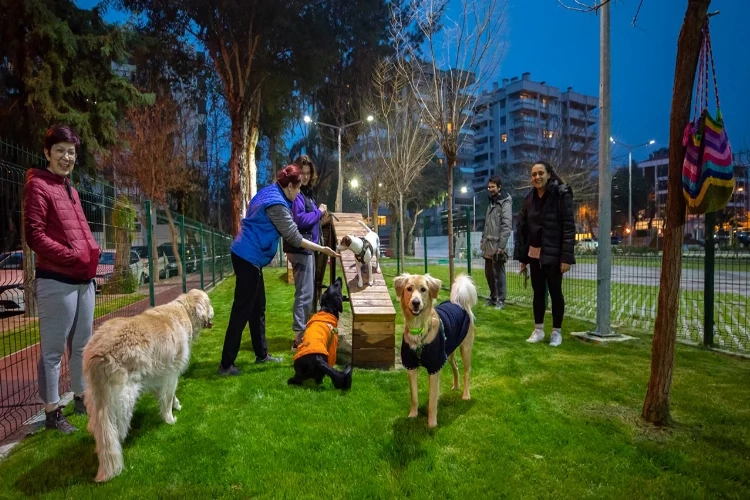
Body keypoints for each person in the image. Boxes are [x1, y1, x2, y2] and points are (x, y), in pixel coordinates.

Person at [218, 165, 340, 376]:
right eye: (297, 189)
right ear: (290, 186)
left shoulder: (268, 191)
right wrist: (322, 248)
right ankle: (226, 364)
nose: (299, 193)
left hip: (247, 255)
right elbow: (294, 237)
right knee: (242, 311)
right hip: (248, 256)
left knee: (258, 308)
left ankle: (262, 354)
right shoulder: (277, 205)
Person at [24, 125, 101, 433]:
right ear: (47, 153)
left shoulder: (71, 188)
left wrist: (89, 255)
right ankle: (52, 412)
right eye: (60, 151)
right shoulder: (39, 185)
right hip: (57, 279)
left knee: (83, 344)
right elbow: (35, 235)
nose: (66, 157)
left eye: (71, 152)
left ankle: (82, 398)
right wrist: (71, 257)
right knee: (53, 350)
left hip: (84, 279)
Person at [513, 161, 575, 347]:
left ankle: (556, 332)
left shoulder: (560, 195)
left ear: (549, 174)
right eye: (533, 174)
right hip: (534, 255)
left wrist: (566, 257)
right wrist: (523, 258)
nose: (537, 177)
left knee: (556, 293)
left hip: (553, 255)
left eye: (541, 173)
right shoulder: (529, 199)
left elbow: (569, 228)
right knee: (538, 293)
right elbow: (523, 228)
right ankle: (538, 330)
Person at [283, 155, 327, 349]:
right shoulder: (297, 194)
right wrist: (319, 211)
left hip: (308, 247)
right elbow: (300, 220)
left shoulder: (306, 192)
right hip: (300, 247)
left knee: (307, 293)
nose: (307, 177)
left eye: (309, 173)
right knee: (304, 294)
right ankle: (298, 339)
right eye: (303, 173)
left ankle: (302, 333)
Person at [480, 175, 512, 309]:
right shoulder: (492, 202)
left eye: (492, 187)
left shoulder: (505, 202)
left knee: (498, 274)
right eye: (489, 187)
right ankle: (493, 298)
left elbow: (506, 225)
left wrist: (501, 246)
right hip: (488, 244)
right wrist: (483, 238)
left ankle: (501, 300)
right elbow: (487, 223)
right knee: (489, 274)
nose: (490, 189)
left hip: (497, 245)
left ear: (499, 187)